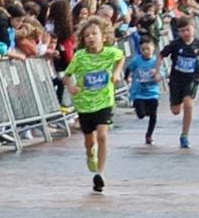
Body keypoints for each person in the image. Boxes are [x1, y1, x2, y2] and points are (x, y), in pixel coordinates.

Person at [64, 19, 125, 192]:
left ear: (103, 37)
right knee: (90, 141)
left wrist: (117, 72)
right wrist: (71, 86)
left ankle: (100, 173)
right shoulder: (80, 56)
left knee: (103, 136)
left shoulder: (111, 53)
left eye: (95, 34)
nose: (91, 38)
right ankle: (91, 154)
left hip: (104, 100)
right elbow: (67, 76)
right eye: (87, 35)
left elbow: (121, 57)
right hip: (84, 104)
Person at [161, 14, 199, 149]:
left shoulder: (198, 43)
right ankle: (179, 101)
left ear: (193, 29)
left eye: (188, 30)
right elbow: (161, 55)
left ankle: (184, 135)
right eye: (182, 31)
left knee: (189, 105)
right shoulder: (175, 44)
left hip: (192, 79)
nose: (185, 33)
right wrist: (158, 71)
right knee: (175, 111)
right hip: (176, 79)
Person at [126, 36, 162, 146]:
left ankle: (149, 135)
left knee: (153, 115)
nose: (145, 52)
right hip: (139, 93)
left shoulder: (156, 61)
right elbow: (128, 68)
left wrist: (158, 75)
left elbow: (162, 73)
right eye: (143, 50)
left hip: (152, 92)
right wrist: (127, 77)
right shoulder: (137, 60)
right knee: (141, 115)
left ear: (153, 48)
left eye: (148, 49)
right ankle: (143, 110)